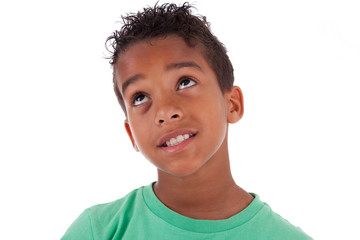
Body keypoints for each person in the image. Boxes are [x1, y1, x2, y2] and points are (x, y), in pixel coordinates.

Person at [61, 3, 312, 239]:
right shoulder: (99, 231)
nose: (165, 111)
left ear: (232, 104)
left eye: (184, 82)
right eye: (140, 97)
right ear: (130, 134)